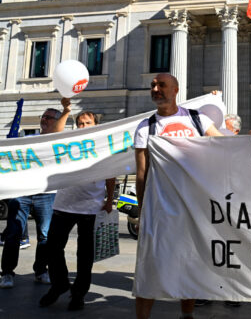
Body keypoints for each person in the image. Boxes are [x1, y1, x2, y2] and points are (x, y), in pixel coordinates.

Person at [133, 73, 223, 319]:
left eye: (161, 85)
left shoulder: (197, 119)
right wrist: (142, 213)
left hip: (193, 208)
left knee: (190, 264)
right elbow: (142, 175)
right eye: (153, 85)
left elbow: (227, 147)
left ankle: (187, 314)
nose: (155, 88)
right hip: (159, 210)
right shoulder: (145, 127)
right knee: (149, 268)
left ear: (175, 90)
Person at [39, 103, 116, 310]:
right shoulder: (69, 140)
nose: (83, 126)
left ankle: (79, 294)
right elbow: (54, 134)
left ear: (96, 124)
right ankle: (60, 284)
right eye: (80, 123)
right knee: (53, 248)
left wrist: (109, 201)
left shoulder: (103, 145)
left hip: (91, 207)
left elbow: (111, 174)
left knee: (85, 255)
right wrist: (65, 112)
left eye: (88, 123)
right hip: (64, 204)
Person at [0, 105, 70, 289]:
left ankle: (40, 270)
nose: (44, 120)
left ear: (57, 122)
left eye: (49, 118)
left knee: (45, 235)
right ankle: (7, 273)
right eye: (43, 116)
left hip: (46, 195)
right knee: (13, 233)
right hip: (22, 192)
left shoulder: (61, 144)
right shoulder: (28, 139)